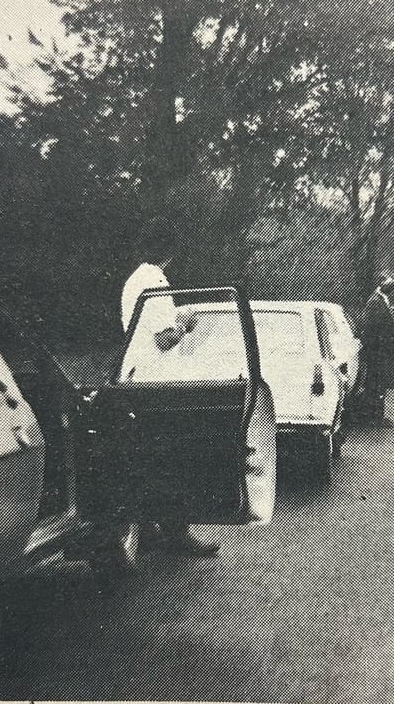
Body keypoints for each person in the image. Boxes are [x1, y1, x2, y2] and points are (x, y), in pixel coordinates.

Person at [114, 224, 220, 560]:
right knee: (173, 454)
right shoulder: (156, 282)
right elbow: (164, 339)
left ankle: (146, 529)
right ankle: (178, 533)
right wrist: (185, 323)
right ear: (170, 255)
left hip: (135, 376)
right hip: (156, 381)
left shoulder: (133, 280)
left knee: (143, 454)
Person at [357, 276, 394, 427]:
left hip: (376, 351)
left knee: (377, 384)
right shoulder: (377, 302)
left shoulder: (378, 300)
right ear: (391, 290)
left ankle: (374, 417)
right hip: (376, 352)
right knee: (376, 385)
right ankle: (374, 419)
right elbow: (376, 329)